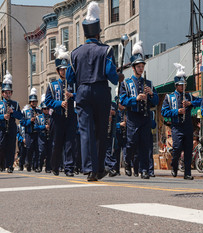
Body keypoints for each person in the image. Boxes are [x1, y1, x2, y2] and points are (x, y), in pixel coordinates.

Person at [66, 1, 123, 181]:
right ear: (98, 32)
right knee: (101, 131)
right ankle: (98, 168)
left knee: (85, 131)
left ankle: (89, 168)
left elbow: (69, 77)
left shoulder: (75, 53)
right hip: (100, 92)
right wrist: (119, 77)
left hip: (82, 91)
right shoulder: (105, 50)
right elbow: (111, 75)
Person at [120, 41, 159, 179]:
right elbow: (122, 100)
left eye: (142, 66)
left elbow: (156, 102)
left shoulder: (148, 83)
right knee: (131, 143)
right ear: (134, 68)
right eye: (139, 66)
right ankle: (128, 162)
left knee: (145, 144)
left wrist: (151, 95)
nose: (141, 68)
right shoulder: (126, 83)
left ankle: (144, 170)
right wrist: (135, 99)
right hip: (132, 117)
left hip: (145, 116)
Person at [161, 63, 201, 180]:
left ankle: (187, 173)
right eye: (180, 85)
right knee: (177, 148)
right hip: (176, 127)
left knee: (188, 150)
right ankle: (174, 165)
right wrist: (177, 111)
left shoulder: (189, 96)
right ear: (176, 85)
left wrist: (191, 103)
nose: (183, 87)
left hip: (188, 126)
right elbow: (164, 112)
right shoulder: (169, 97)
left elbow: (201, 101)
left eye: (184, 85)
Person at [45, 44, 78, 177]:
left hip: (70, 117)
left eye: (66, 69)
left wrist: (72, 95)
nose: (64, 71)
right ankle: (55, 166)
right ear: (58, 71)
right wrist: (59, 103)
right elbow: (47, 102)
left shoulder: (73, 85)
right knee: (57, 144)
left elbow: (81, 95)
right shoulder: (52, 85)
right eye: (61, 69)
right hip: (57, 118)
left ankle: (69, 168)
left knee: (70, 143)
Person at [0, 71, 23, 173]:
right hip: (1, 127)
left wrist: (13, 113)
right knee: (0, 147)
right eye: (5, 92)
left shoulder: (15, 104)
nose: (7, 94)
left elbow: (20, 116)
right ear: (2, 93)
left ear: (11, 93)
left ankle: (10, 166)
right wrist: (2, 116)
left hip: (11, 127)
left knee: (11, 147)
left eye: (9, 92)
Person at [20, 89, 41, 172]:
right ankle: (28, 164)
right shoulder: (26, 112)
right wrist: (30, 121)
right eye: (32, 102)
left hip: (37, 133)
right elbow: (22, 123)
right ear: (30, 102)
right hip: (29, 133)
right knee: (29, 150)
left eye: (35, 101)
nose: (34, 103)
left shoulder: (39, 111)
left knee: (37, 150)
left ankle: (35, 166)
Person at [35, 94, 52, 173]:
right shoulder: (38, 117)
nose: (46, 110)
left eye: (47, 108)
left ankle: (48, 167)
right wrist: (44, 127)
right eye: (45, 109)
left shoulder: (51, 117)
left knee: (49, 152)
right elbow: (36, 127)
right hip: (41, 137)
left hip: (49, 136)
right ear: (42, 109)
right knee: (41, 152)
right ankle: (39, 166)